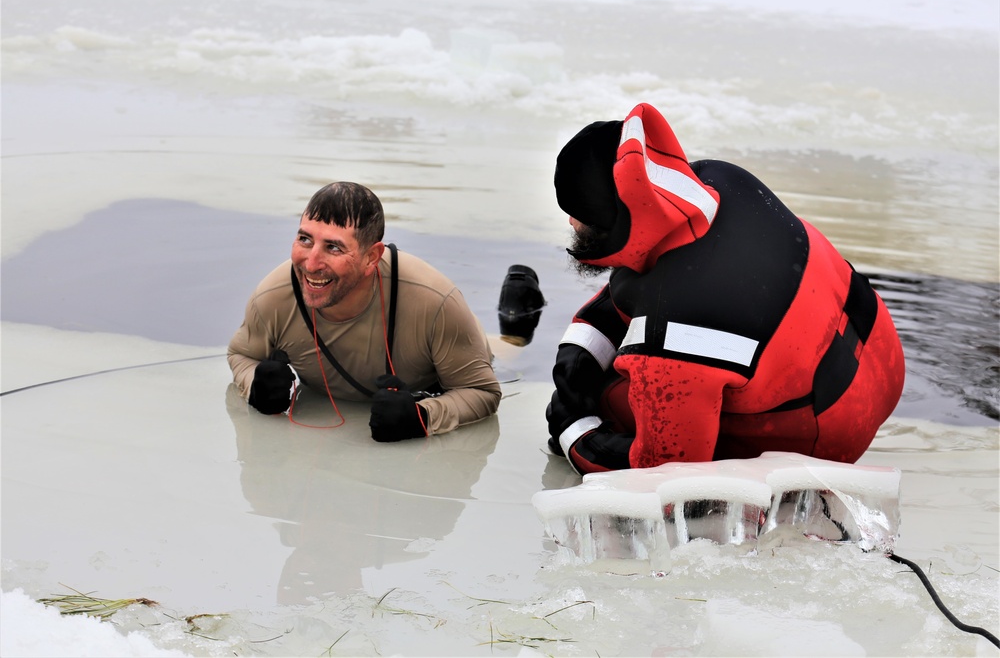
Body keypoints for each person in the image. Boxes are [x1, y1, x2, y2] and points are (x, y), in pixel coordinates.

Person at [546, 102, 905, 474]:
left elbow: (666, 473)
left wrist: (575, 432)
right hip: (879, 355)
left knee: (613, 397)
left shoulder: (675, 326)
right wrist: (579, 353)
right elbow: (636, 286)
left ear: (608, 222)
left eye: (577, 213)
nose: (571, 223)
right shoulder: (721, 180)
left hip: (830, 434)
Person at [228, 181, 501, 439]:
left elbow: (481, 390)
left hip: (464, 349)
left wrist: (423, 416)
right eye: (305, 239)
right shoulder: (273, 297)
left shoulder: (436, 301)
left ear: (371, 257)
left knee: (509, 350)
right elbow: (241, 354)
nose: (311, 265)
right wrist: (256, 386)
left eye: (333, 247)